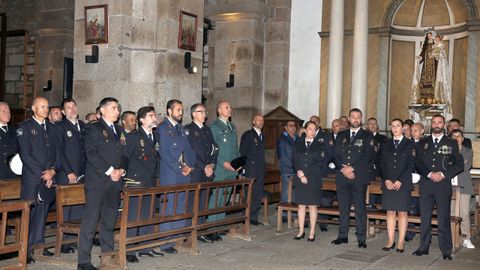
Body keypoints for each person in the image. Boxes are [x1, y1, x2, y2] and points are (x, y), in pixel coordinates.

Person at [77, 97, 127, 270]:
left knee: (109, 221)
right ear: (102, 110)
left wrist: (121, 170)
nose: (117, 111)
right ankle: (83, 261)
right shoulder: (93, 128)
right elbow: (91, 153)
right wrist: (110, 170)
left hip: (115, 183)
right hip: (98, 182)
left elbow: (125, 154)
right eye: (114, 108)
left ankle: (108, 255)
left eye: (118, 108)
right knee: (90, 222)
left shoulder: (119, 130)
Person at [413, 114, 463, 260]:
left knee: (443, 218)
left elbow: (459, 164)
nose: (436, 124)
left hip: (443, 186)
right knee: (425, 218)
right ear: (431, 124)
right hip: (426, 185)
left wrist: (443, 174)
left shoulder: (451, 143)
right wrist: (429, 173)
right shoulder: (423, 142)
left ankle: (446, 249)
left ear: (444, 124)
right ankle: (423, 247)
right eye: (434, 122)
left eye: (439, 122)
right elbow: (417, 162)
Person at [16, 97, 59, 263]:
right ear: (34, 108)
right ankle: (24, 250)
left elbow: (57, 153)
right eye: (42, 106)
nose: (46, 109)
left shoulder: (53, 128)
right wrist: (44, 174)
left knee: (42, 214)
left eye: (47, 106)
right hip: (33, 178)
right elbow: (25, 155)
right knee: (30, 214)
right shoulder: (24, 128)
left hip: (48, 178)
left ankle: (38, 246)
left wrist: (53, 171)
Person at [123, 106, 163, 262]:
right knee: (134, 216)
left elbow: (156, 159)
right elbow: (124, 158)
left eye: (154, 115)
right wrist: (124, 181)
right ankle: (130, 250)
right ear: (141, 120)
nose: (154, 118)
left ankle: (146, 247)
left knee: (148, 215)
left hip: (150, 181)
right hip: (136, 181)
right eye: (151, 116)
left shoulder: (154, 136)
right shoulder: (134, 136)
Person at [331, 108, 375, 248]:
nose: (355, 119)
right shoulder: (341, 134)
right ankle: (342, 235)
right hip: (342, 176)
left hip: (358, 177)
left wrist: (352, 168)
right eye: (353, 117)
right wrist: (343, 169)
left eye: (358, 117)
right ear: (349, 119)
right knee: (343, 207)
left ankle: (361, 238)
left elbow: (368, 156)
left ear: (361, 119)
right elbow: (335, 154)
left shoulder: (367, 136)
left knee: (360, 208)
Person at [156, 99, 196, 254]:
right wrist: (181, 167)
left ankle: (177, 238)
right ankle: (165, 241)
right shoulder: (163, 128)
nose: (181, 113)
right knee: (169, 207)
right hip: (171, 174)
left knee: (180, 206)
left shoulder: (180, 128)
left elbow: (188, 150)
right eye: (178, 110)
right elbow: (164, 153)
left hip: (185, 174)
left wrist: (190, 166)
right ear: (169, 111)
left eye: (181, 110)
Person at [54, 98, 87, 254]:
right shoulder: (60, 127)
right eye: (68, 107)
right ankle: (64, 242)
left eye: (74, 106)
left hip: (83, 172)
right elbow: (59, 153)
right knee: (66, 208)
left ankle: (75, 239)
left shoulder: (83, 126)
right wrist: (68, 172)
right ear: (63, 111)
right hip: (67, 173)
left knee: (79, 206)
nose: (72, 109)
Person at [379, 118, 416, 253]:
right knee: (390, 211)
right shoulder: (386, 144)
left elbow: (411, 164)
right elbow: (381, 163)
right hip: (388, 182)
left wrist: (400, 180)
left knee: (402, 212)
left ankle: (400, 241)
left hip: (403, 182)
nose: (395, 128)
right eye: (393, 126)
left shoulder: (409, 144)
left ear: (403, 128)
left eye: (398, 126)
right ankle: (390, 240)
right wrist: (386, 179)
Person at [184, 103, 218, 243]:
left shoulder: (207, 130)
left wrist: (211, 165)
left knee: (204, 202)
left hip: (207, 171)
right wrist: (204, 166)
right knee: (193, 202)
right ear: (193, 114)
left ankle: (201, 230)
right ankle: (189, 232)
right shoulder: (188, 130)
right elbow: (190, 152)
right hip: (197, 171)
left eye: (205, 112)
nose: (204, 114)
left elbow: (214, 148)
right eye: (201, 112)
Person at [292, 121, 331, 242]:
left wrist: (306, 175)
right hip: (300, 177)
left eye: (315, 129)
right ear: (305, 130)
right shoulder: (298, 143)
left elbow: (319, 163)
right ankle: (301, 230)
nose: (312, 131)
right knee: (301, 206)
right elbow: (294, 160)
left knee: (312, 206)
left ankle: (312, 231)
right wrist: (299, 172)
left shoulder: (321, 145)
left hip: (313, 178)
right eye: (310, 129)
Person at [208, 100, 240, 234]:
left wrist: (238, 164)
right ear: (219, 111)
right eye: (226, 107)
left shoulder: (232, 126)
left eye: (230, 107)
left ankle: (219, 224)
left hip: (231, 170)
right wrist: (223, 163)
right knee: (217, 197)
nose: (229, 109)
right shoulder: (214, 126)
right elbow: (213, 149)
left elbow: (235, 148)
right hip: (221, 169)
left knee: (226, 197)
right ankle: (210, 226)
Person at [450, 129, 475, 249]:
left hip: (464, 185)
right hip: (450, 186)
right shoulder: (447, 151)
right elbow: (445, 165)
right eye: (453, 136)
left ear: (462, 138)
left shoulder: (468, 151)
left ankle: (466, 238)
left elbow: (466, 166)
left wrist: (453, 164)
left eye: (458, 136)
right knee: (451, 213)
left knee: (464, 213)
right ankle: (452, 237)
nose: (456, 138)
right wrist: (458, 163)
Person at [240, 114, 266, 225]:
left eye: (262, 120)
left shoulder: (262, 135)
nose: (261, 122)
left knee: (258, 194)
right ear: (253, 122)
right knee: (250, 194)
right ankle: (245, 216)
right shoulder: (248, 135)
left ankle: (253, 218)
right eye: (258, 120)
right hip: (251, 169)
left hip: (260, 169)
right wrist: (243, 170)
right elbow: (243, 152)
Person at [276, 120, 298, 205]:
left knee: (294, 193)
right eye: (290, 125)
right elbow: (282, 156)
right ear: (285, 128)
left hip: (296, 170)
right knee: (286, 192)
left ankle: (292, 213)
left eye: (294, 125)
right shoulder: (283, 140)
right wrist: (293, 167)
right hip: (287, 169)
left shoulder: (297, 138)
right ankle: (284, 214)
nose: (293, 127)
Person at [0, 102, 18, 179]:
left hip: (13, 173)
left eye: (8, 111)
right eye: (3, 111)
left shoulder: (15, 130)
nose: (7, 113)